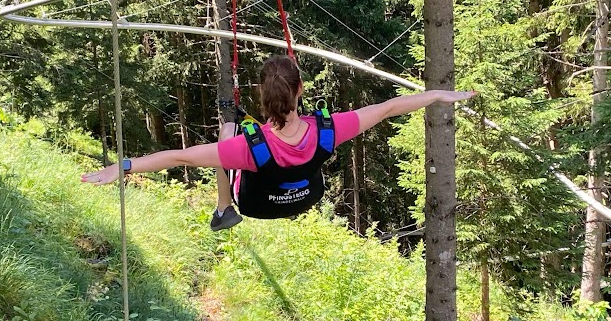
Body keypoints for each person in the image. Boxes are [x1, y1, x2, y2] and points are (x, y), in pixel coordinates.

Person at [82, 55, 474, 227]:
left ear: (262, 96)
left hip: (255, 204)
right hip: (306, 196)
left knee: (227, 131)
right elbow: (389, 108)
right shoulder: (329, 130)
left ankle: (224, 209)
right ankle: (226, 207)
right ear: (300, 90)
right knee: (240, 140)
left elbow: (180, 157)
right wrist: (439, 95)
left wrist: (123, 166)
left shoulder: (246, 149)